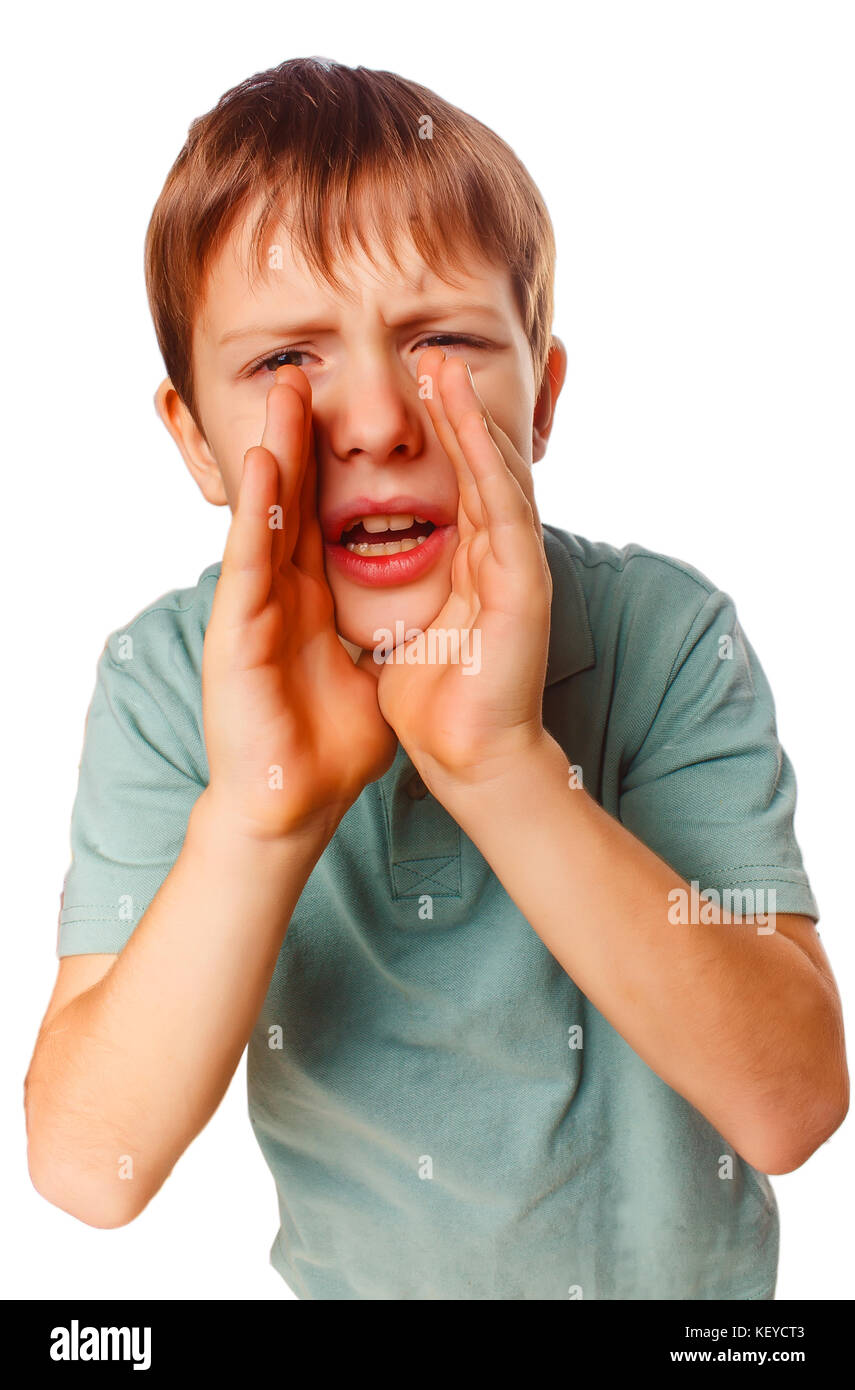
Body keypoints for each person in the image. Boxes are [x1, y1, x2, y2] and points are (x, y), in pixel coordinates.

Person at [24, 56, 848, 1300]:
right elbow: (92, 1169)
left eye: (446, 342)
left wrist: (502, 766)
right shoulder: (163, 682)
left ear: (544, 397)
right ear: (193, 437)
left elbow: (790, 1106)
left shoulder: (665, 635)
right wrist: (262, 813)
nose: (373, 421)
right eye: (285, 363)